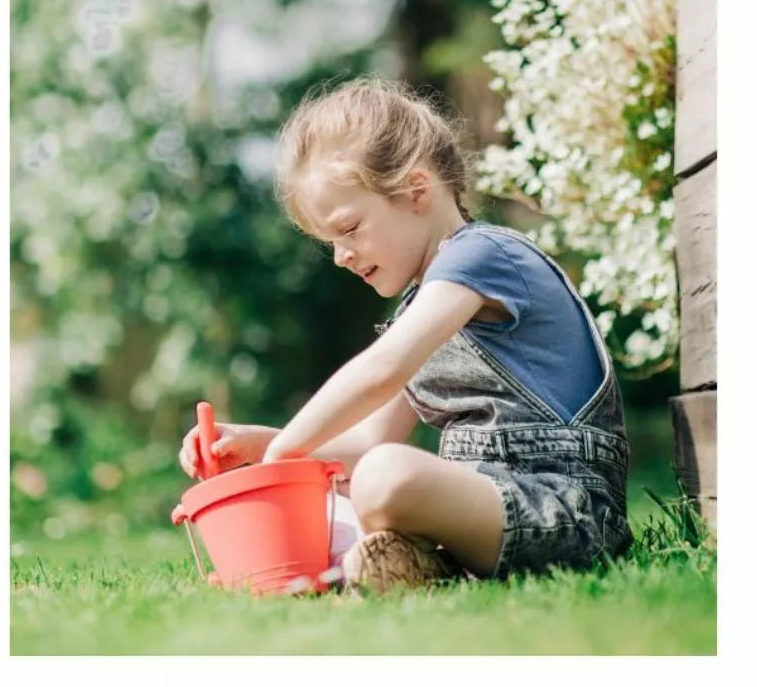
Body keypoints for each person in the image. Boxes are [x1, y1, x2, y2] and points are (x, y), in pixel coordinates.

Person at [178, 76, 634, 594]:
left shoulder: (483, 257)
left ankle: (387, 560)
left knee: (383, 475)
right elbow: (370, 437)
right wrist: (259, 444)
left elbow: (381, 371)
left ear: (416, 190)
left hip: (567, 510)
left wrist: (284, 450)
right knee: (362, 477)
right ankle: (415, 566)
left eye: (348, 229)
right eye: (329, 241)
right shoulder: (425, 304)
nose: (341, 256)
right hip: (492, 505)